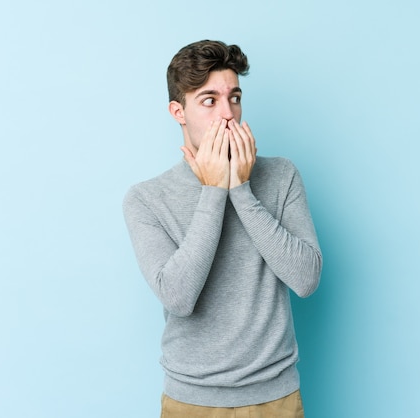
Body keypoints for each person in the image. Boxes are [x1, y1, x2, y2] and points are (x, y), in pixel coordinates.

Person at [123, 40, 322, 417]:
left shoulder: (281, 176)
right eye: (209, 100)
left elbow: (306, 279)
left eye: (235, 97)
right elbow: (179, 298)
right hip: (191, 402)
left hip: (275, 399)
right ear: (178, 111)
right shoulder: (146, 199)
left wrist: (241, 190)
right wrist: (214, 191)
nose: (228, 114)